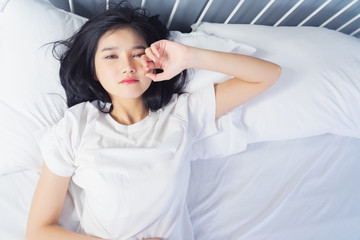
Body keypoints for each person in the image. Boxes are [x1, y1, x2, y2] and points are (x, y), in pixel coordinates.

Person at [26, 3, 281, 240]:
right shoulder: (75, 126)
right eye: (111, 56)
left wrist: (189, 57)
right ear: (93, 69)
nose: (127, 66)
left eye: (138, 54)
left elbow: (268, 75)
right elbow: (39, 231)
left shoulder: (181, 114)